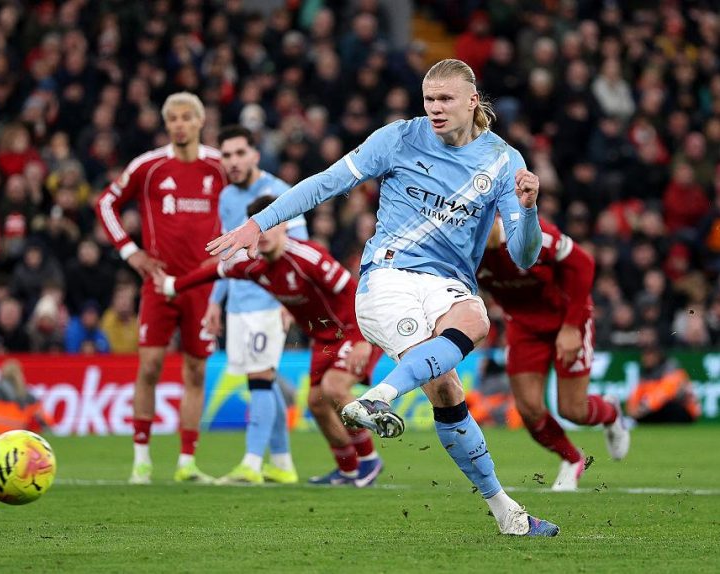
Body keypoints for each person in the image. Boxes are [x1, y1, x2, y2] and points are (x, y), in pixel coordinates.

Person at [207, 59, 558, 536]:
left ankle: (506, 513)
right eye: (428, 99)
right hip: (387, 277)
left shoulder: (503, 162)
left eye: (445, 99)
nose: (434, 108)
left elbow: (523, 255)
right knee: (472, 327)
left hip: (447, 283)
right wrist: (260, 222)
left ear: (472, 101)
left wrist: (531, 211)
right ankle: (381, 397)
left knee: (451, 385)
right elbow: (325, 182)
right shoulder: (398, 138)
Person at [153, 195, 385, 487]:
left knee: (333, 387)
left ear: (284, 225)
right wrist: (174, 285)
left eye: (269, 226)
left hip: (356, 329)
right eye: (256, 229)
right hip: (323, 339)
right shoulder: (253, 266)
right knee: (315, 402)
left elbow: (353, 292)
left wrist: (362, 339)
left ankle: (369, 460)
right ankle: (349, 469)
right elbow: (215, 270)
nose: (262, 236)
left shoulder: (308, 257)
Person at [95, 92, 227, 485]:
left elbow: (247, 209)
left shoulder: (220, 167)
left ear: (200, 122)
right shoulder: (149, 166)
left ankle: (187, 462)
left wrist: (225, 257)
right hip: (158, 284)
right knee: (149, 366)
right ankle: (141, 460)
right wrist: (130, 251)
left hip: (202, 287)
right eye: (172, 119)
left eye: (186, 118)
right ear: (166, 124)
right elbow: (106, 203)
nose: (179, 124)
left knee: (195, 372)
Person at [478, 217, 630, 491]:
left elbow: (583, 263)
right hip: (523, 326)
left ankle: (609, 413)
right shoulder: (462, 247)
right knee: (529, 410)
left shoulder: (530, 234)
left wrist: (572, 327)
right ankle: (572, 459)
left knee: (573, 410)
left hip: (567, 318)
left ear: (494, 215)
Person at [200, 126, 309, 485]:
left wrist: (290, 302)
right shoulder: (227, 197)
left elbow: (300, 247)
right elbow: (228, 253)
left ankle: (250, 463)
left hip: (270, 299)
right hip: (238, 302)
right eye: (226, 155)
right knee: (262, 381)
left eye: (239, 153)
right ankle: (281, 463)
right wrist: (217, 300)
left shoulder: (280, 193)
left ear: (255, 155)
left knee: (261, 379)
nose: (232, 161)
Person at [0, 359, 50, 435]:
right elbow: (47, 423)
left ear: (1, 373)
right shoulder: (29, 398)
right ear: (20, 374)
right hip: (19, 441)